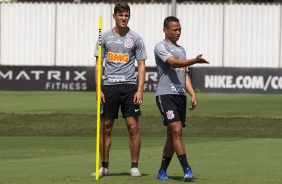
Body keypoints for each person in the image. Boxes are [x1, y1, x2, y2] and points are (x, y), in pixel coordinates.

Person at [91, 2, 147, 178]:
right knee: (105, 127)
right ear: (114, 16)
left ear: (129, 17)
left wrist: (140, 89)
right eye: (120, 15)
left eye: (126, 15)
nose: (123, 18)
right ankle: (105, 167)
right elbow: (98, 65)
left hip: (130, 86)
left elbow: (141, 64)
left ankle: (134, 166)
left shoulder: (136, 38)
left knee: (133, 127)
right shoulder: (104, 37)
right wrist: (98, 88)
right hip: (109, 87)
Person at [154, 16, 209, 182]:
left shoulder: (182, 49)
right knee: (176, 130)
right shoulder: (160, 47)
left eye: (179, 30)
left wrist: (192, 93)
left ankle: (162, 171)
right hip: (165, 95)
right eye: (174, 30)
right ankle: (187, 169)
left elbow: (183, 73)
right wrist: (195, 60)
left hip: (180, 96)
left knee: (172, 135)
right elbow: (174, 63)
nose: (178, 32)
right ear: (165, 30)